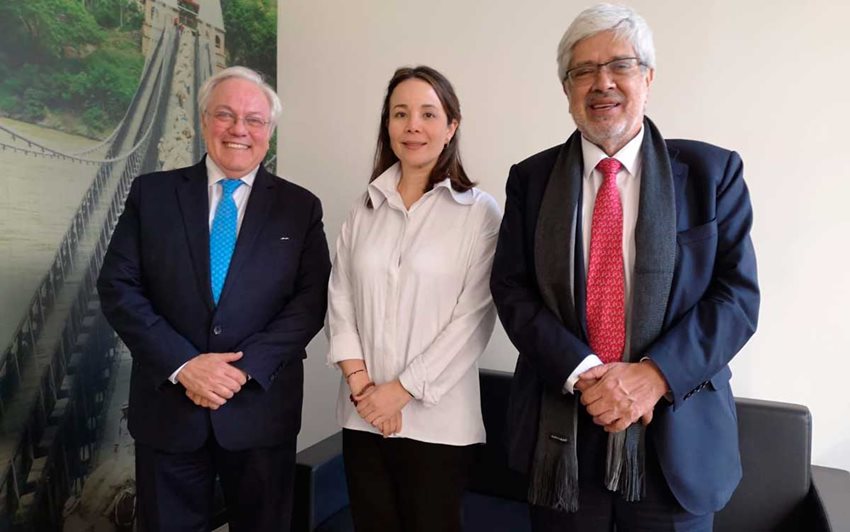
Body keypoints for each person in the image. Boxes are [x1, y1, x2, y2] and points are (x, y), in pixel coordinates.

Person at [489, 4, 759, 531]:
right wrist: (588, 374)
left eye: (620, 65)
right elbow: (512, 288)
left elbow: (736, 298)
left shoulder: (711, 173)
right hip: (564, 432)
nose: (602, 83)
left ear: (648, 78)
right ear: (566, 90)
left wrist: (653, 376)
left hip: (676, 438)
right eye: (583, 70)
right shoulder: (532, 178)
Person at [97, 66, 331, 532]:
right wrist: (186, 365)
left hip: (260, 413)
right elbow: (118, 287)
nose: (239, 129)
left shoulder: (300, 207)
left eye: (254, 119)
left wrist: (240, 371)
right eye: (225, 114)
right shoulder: (152, 194)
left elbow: (309, 303)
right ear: (204, 121)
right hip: (169, 411)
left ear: (270, 132)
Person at [326, 65, 501, 532]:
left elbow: (474, 320)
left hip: (439, 425)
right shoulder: (365, 207)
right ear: (388, 125)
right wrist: (365, 389)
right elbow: (339, 296)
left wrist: (399, 393)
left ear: (451, 126)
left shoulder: (479, 214)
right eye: (400, 114)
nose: (413, 126)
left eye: (428, 113)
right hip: (362, 416)